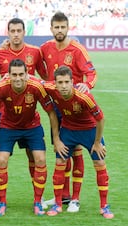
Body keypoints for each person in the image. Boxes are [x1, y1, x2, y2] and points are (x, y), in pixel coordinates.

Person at [0, 17, 48, 210]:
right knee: (1, 158)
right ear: (8, 32)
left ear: (23, 32)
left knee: (34, 156)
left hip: (29, 116)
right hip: (6, 117)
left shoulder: (35, 52)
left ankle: (38, 198)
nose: (15, 34)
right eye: (11, 31)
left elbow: (45, 77)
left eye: (18, 30)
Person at [0, 59, 60, 216]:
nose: (18, 78)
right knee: (1, 160)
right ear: (8, 75)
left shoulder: (36, 87)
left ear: (27, 74)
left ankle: (38, 201)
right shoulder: (1, 88)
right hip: (8, 126)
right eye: (14, 75)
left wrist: (57, 139)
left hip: (31, 126)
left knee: (40, 159)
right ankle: (2, 202)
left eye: (21, 74)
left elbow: (51, 113)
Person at [41, 11, 98, 212]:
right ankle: (63, 196)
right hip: (56, 105)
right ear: (51, 29)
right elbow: (34, 63)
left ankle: (75, 197)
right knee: (61, 150)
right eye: (56, 27)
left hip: (74, 107)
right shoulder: (45, 48)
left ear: (68, 28)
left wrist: (87, 86)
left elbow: (91, 72)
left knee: (75, 151)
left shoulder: (77, 49)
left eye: (62, 27)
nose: (59, 30)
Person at [44, 65, 114, 219]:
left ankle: (104, 206)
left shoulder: (84, 97)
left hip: (89, 131)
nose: (63, 86)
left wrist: (97, 142)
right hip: (68, 130)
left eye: (66, 82)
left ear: (72, 82)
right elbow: (35, 81)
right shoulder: (51, 89)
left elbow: (100, 119)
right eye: (60, 82)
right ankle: (57, 204)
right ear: (54, 83)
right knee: (60, 161)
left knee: (100, 165)